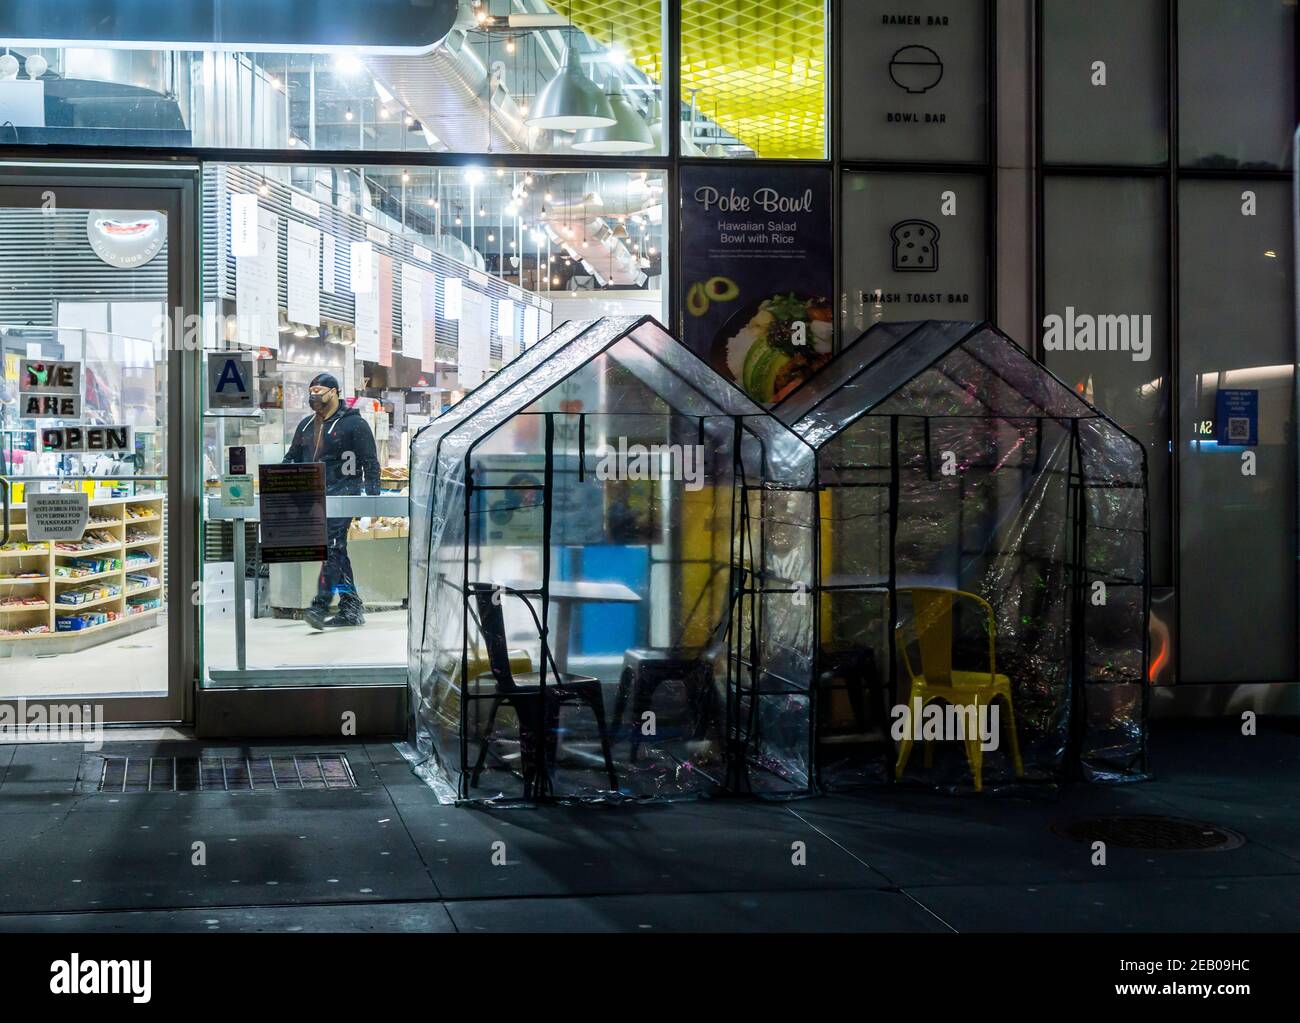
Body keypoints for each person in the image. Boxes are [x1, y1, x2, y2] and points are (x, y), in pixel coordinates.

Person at [283, 372, 381, 629]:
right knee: (336, 551)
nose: (315, 394)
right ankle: (350, 604)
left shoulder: (354, 425)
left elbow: (370, 462)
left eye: (320, 390)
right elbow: (291, 458)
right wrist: (279, 484)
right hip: (313, 498)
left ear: (335, 392)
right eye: (312, 390)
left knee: (334, 548)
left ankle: (320, 605)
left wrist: (372, 502)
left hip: (344, 495)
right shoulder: (305, 425)